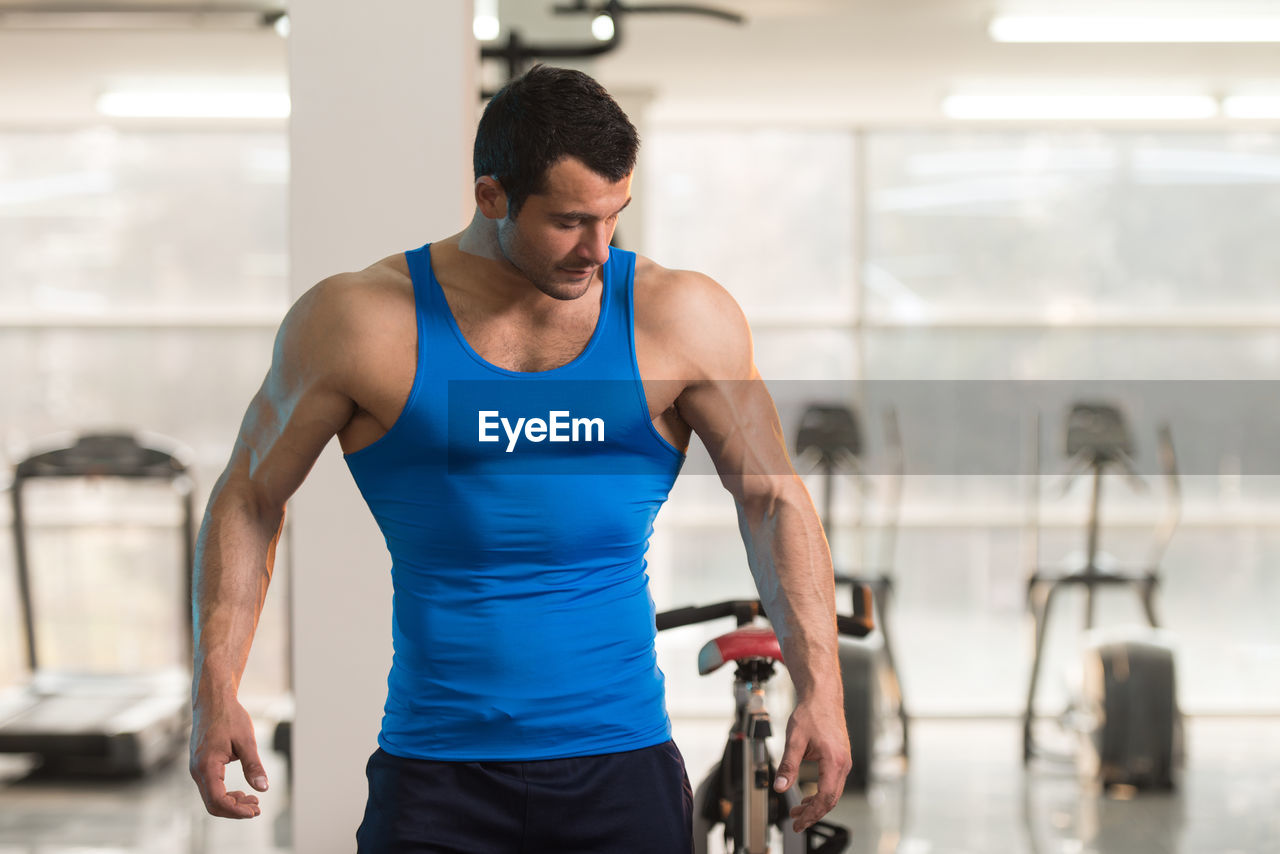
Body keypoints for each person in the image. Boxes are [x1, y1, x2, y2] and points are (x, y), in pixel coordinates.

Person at [189, 64, 850, 852]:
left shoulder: (679, 319)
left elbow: (772, 499)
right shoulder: (359, 324)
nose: (598, 250)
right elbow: (249, 497)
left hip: (622, 762)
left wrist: (824, 688)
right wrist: (216, 688)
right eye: (569, 221)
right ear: (491, 196)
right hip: (437, 770)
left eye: (615, 217)